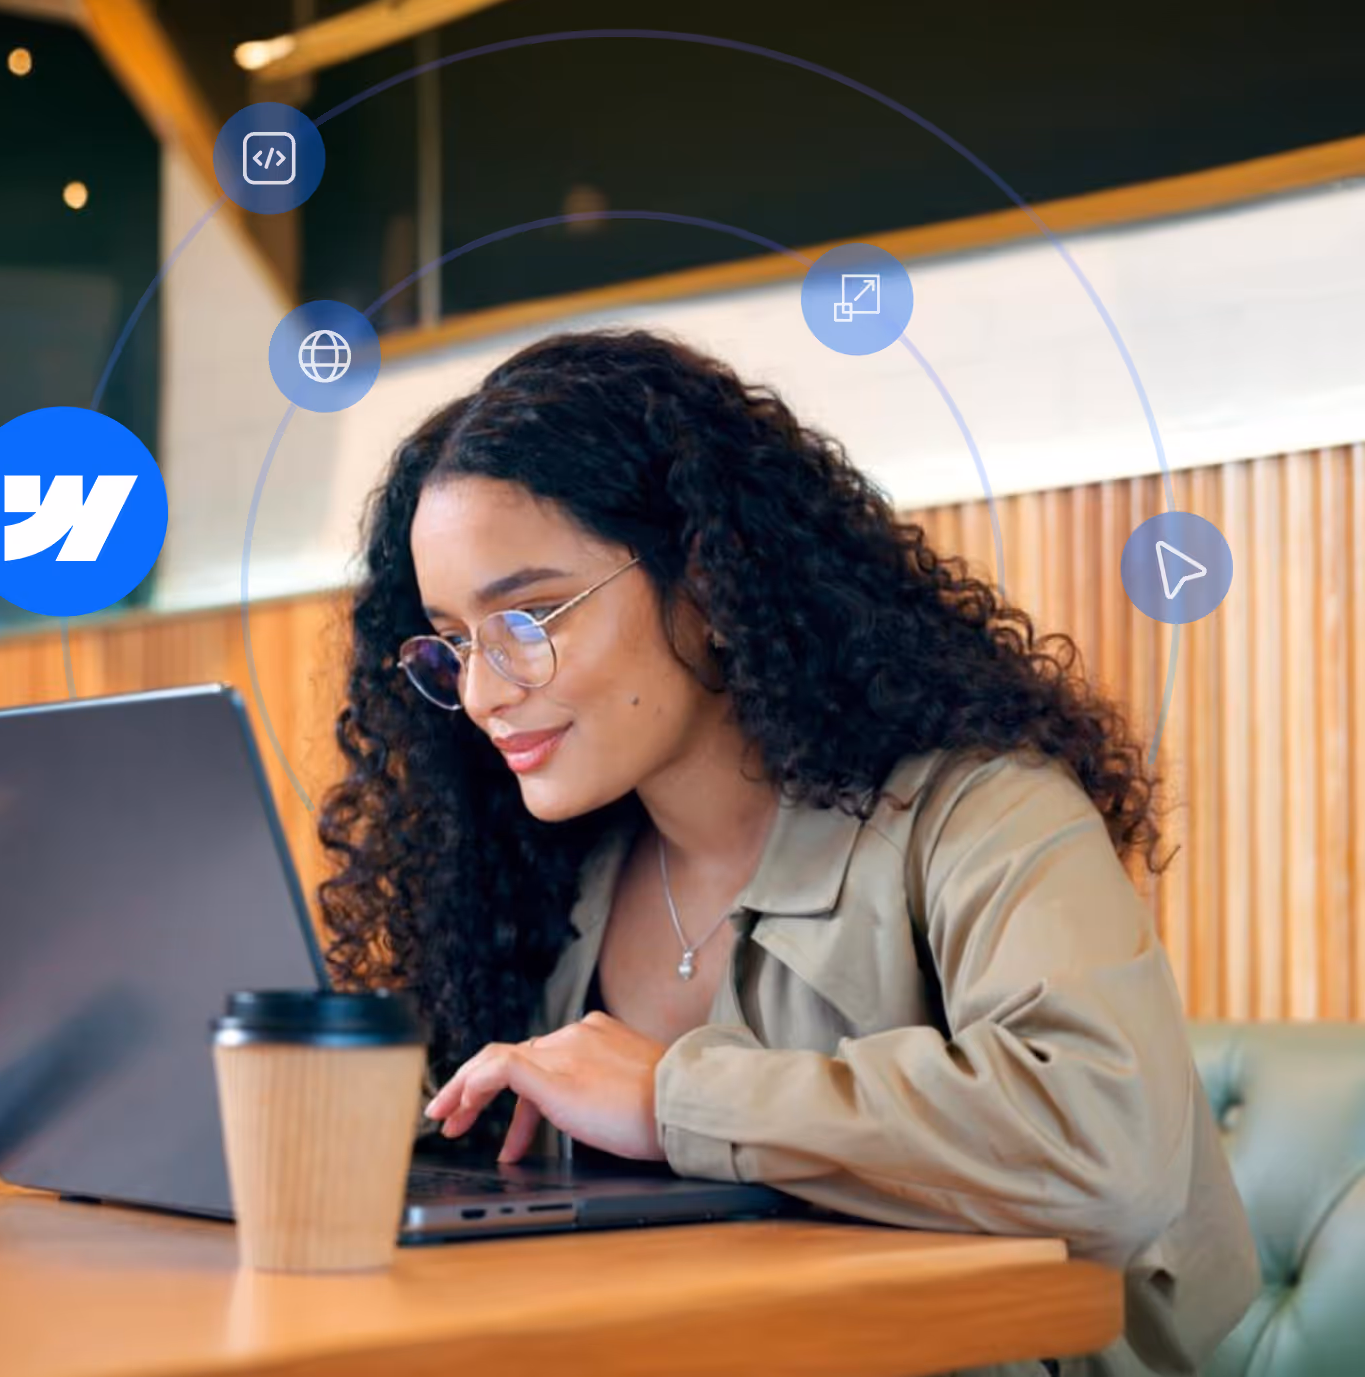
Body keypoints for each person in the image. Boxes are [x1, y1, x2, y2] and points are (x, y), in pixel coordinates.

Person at [316, 329, 1258, 1376]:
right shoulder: (551, 878)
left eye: (530, 617)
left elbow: (1105, 1146)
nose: (485, 692)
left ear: (708, 587)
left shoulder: (987, 813)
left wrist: (671, 1098)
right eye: (451, 642)